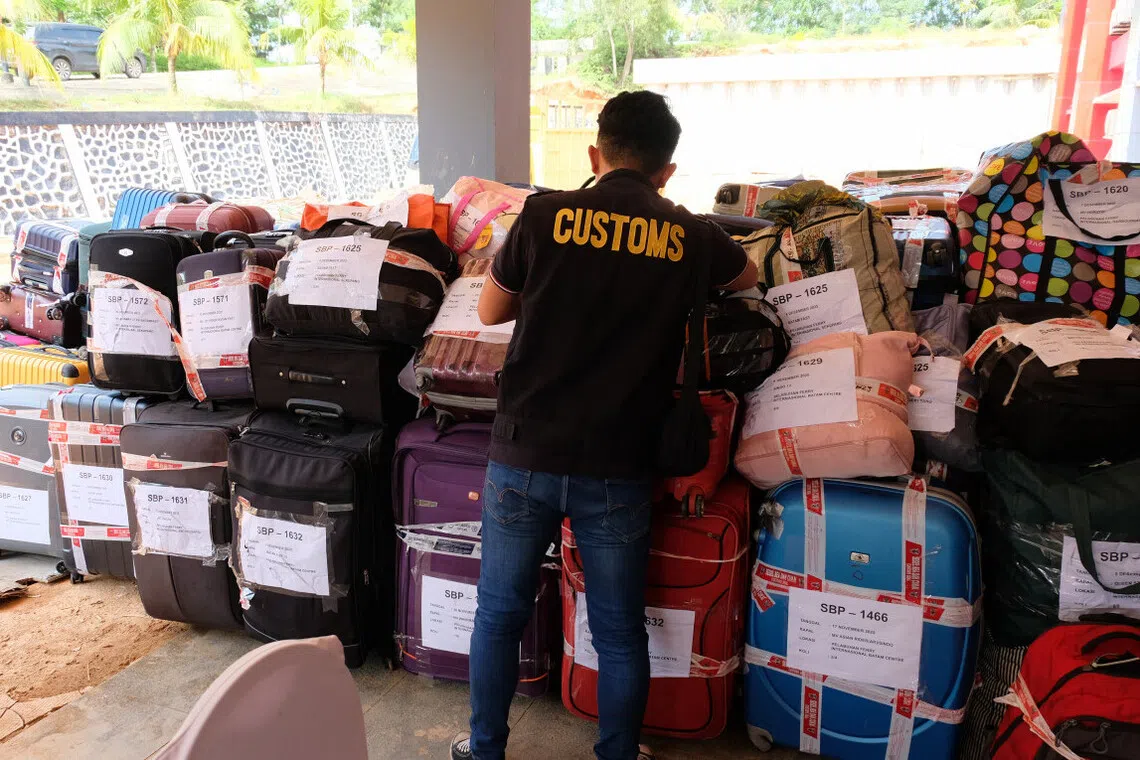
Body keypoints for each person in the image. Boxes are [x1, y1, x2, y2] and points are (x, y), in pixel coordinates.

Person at [450, 90, 758, 760]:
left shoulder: (542, 215)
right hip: (618, 466)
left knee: (499, 614)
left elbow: (488, 312)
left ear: (596, 153)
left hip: (525, 451)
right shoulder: (687, 230)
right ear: (667, 170)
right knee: (619, 631)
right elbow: (750, 275)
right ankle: (617, 754)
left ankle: (484, 750)